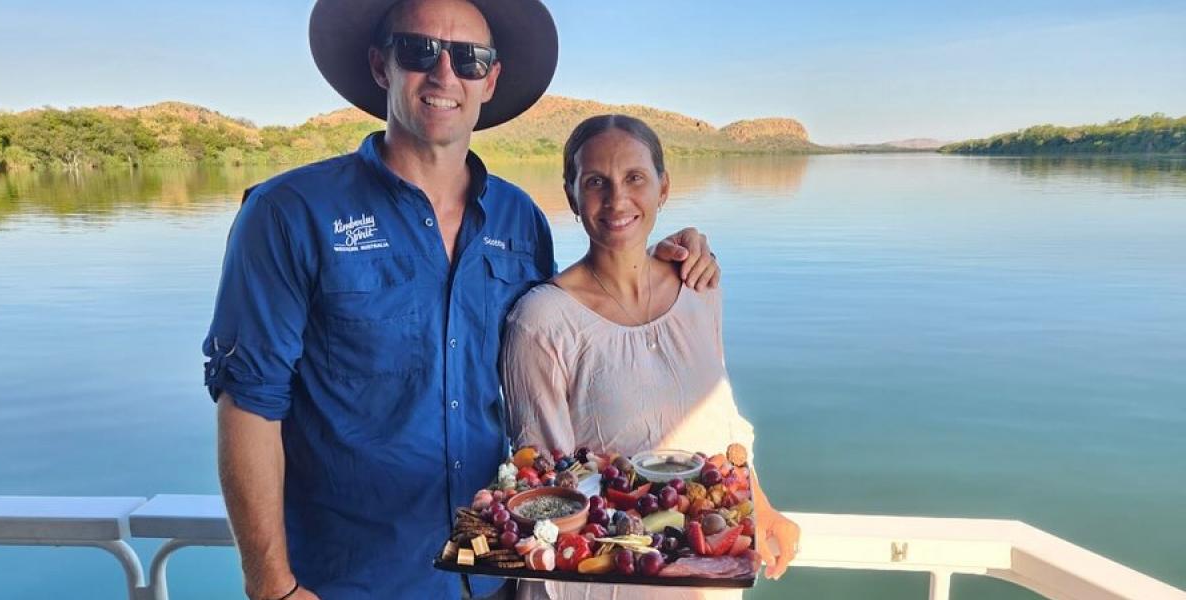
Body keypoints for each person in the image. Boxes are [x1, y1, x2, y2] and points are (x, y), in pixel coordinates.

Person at [202, 2, 721, 599]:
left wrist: (669, 256)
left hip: (494, 568)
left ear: (490, 80)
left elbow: (573, 328)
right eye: (418, 50)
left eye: (470, 58)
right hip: (352, 579)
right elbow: (247, 402)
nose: (445, 73)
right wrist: (272, 585)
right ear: (380, 65)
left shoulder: (519, 220)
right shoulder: (290, 213)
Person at [501, 115, 800, 600]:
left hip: (707, 576)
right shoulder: (540, 322)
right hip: (603, 580)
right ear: (572, 194)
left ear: (663, 188)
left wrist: (760, 509)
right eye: (596, 181)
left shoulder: (699, 288)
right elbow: (548, 486)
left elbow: (722, 425)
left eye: (634, 178)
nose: (617, 199)